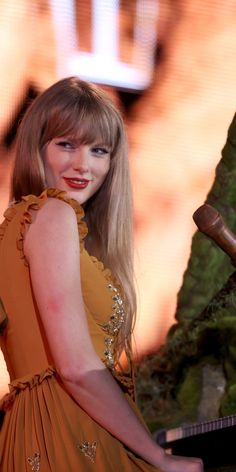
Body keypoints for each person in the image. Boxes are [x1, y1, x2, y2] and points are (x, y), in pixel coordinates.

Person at [0, 77, 203, 471]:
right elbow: (76, 368)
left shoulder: (17, 224)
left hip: (35, 433)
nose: (83, 165)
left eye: (99, 150)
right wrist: (160, 457)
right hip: (69, 431)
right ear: (36, 148)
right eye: (66, 144)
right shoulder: (53, 214)